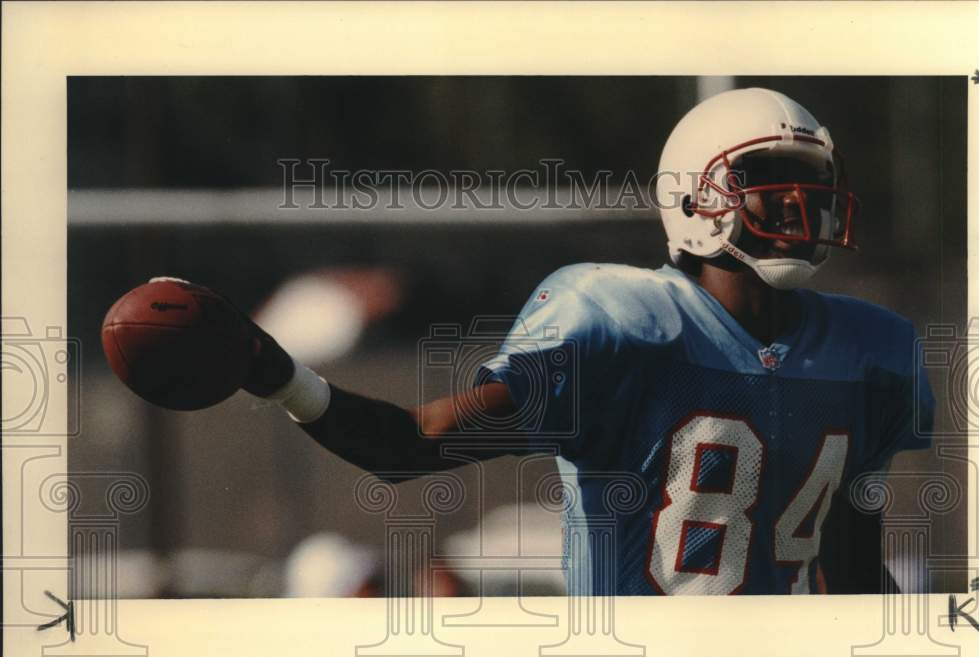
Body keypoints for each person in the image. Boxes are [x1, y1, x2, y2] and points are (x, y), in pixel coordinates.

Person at [205, 87, 935, 595]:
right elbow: (410, 441)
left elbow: (847, 562)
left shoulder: (866, 347)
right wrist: (280, 376)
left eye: (808, 180)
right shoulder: (623, 326)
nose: (796, 202)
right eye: (768, 179)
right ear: (694, 197)